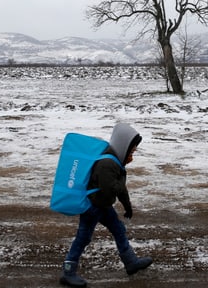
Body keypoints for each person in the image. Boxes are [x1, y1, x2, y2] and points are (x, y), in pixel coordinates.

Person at [60, 123, 153, 287]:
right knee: (83, 238)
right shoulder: (107, 164)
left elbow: (119, 189)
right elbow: (109, 189)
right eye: (131, 152)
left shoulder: (116, 163)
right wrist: (121, 180)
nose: (132, 156)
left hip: (103, 206)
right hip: (92, 207)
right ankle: (68, 272)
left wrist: (127, 205)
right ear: (123, 147)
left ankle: (131, 262)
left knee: (119, 230)